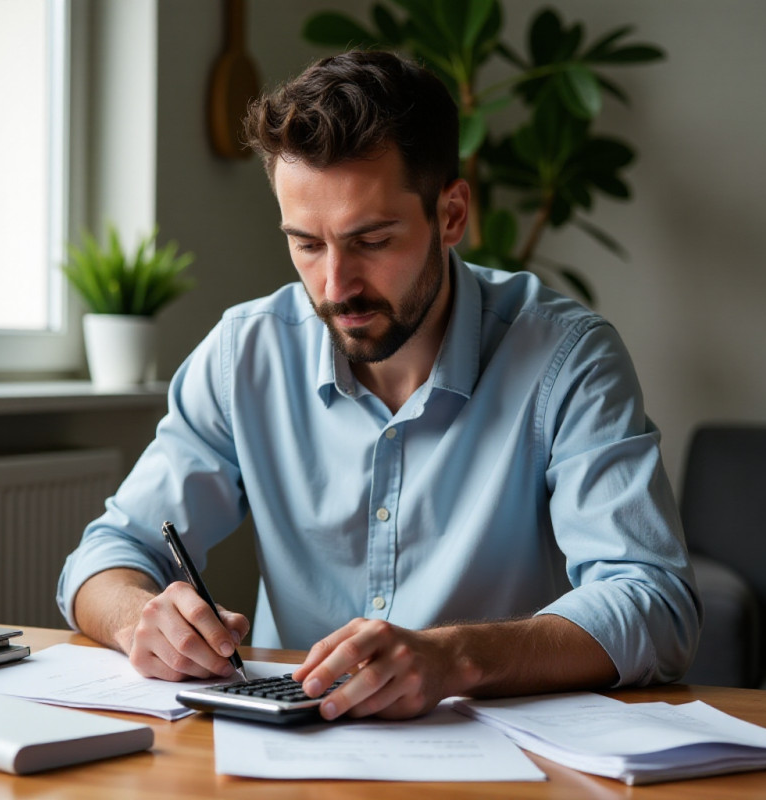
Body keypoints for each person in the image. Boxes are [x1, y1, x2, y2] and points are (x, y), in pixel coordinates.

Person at [57, 50, 700, 722]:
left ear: (451, 215)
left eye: (371, 240)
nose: (336, 288)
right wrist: (140, 619)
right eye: (307, 244)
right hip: (281, 750)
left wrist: (455, 659)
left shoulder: (566, 358)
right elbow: (106, 555)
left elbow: (653, 600)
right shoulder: (243, 355)